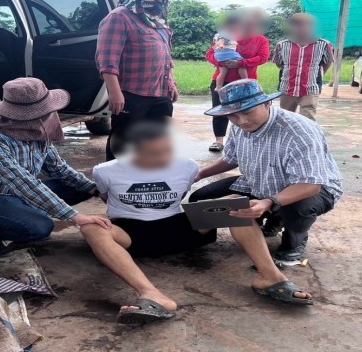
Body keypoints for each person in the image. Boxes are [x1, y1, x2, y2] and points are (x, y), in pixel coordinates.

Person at [81, 120, 313, 324]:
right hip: (131, 235)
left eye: (167, 151)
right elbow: (105, 197)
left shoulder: (187, 166)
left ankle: (270, 277)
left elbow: (182, 195)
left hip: (179, 229)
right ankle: (151, 295)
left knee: (235, 203)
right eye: (154, 154)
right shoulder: (105, 171)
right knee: (91, 226)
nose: (164, 159)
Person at [0, 77, 111, 256]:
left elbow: (59, 168)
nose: (52, 115)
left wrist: (96, 190)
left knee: (80, 187)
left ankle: (21, 213)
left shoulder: (38, 133)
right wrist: (76, 217)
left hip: (14, 194)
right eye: (47, 112)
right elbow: (22, 182)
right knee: (40, 228)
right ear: (29, 117)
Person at [191, 79, 342, 264]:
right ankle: (270, 218)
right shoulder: (239, 127)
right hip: (259, 180)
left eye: (248, 112)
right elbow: (231, 158)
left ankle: (294, 239)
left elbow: (311, 185)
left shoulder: (299, 131)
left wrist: (269, 202)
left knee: (298, 208)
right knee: (200, 199)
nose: (242, 121)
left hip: (309, 188)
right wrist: (199, 174)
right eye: (233, 116)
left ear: (267, 103)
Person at [96, 0, 181, 161]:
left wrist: (171, 84)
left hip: (160, 94)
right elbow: (108, 59)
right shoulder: (120, 17)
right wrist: (115, 93)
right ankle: (116, 186)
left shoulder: (158, 20)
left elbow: (166, 56)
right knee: (122, 143)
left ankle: (145, 182)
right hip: (132, 94)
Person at [205, 8, 270, 152]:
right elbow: (210, 54)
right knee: (221, 111)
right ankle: (219, 141)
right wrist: (221, 63)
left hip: (246, 83)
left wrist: (241, 63)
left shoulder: (261, 40)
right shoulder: (226, 36)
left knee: (248, 112)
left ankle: (247, 142)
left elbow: (263, 58)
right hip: (222, 81)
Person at [272, 13, 334, 121]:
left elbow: (327, 62)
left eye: (306, 25)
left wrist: (318, 75)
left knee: (308, 118)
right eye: (296, 25)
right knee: (286, 117)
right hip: (287, 87)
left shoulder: (324, 45)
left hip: (311, 87)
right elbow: (279, 63)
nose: (301, 28)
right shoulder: (282, 45)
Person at [212, 14, 248, 91]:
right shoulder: (226, 33)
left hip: (218, 54)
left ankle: (218, 87)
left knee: (223, 71)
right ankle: (246, 81)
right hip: (227, 52)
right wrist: (221, 45)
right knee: (242, 64)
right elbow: (221, 40)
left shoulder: (219, 33)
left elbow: (216, 42)